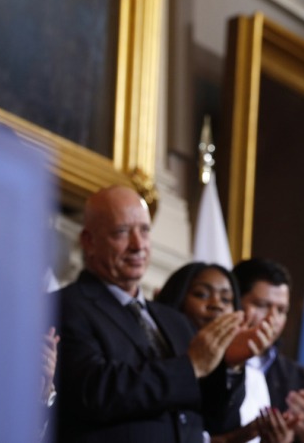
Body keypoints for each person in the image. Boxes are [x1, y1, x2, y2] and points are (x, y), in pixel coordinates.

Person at [53, 185, 244, 442]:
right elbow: (96, 392)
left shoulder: (174, 320)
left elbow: (218, 419)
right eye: (121, 232)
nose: (138, 244)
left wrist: (230, 366)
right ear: (89, 241)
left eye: (144, 230)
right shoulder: (65, 306)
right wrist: (190, 366)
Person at [155, 261, 281, 443]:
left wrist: (231, 365)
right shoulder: (158, 354)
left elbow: (220, 422)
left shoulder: (240, 369)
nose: (216, 305)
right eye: (201, 294)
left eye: (226, 299)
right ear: (176, 299)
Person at [234, 258, 304, 443]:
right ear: (235, 301)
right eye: (261, 305)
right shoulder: (212, 368)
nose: (272, 318)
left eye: (281, 310)